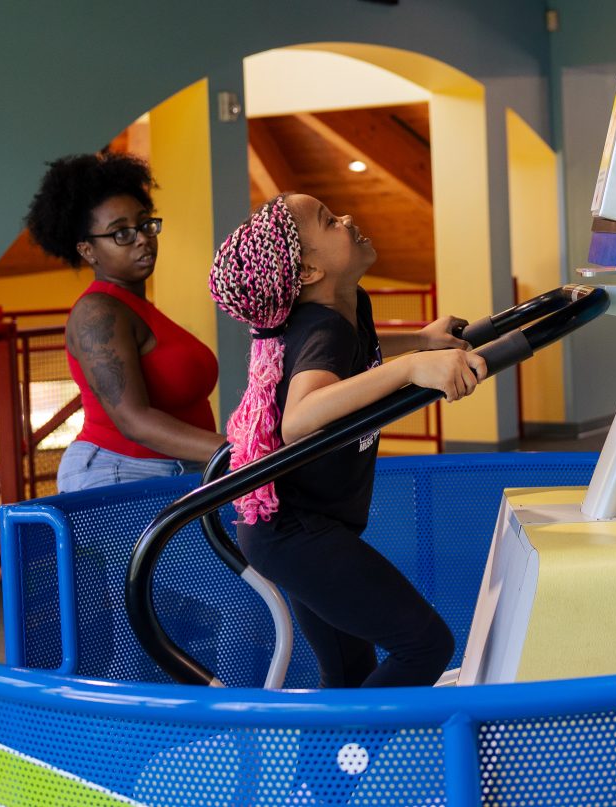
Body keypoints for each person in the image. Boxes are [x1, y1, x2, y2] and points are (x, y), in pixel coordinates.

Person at [209, 193, 487, 688]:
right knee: (424, 644)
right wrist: (412, 368)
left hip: (301, 528)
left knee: (348, 672)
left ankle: (327, 768)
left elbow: (363, 357)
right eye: (329, 221)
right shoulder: (322, 328)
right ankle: (350, 753)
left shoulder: (349, 307)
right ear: (310, 270)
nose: (348, 219)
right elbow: (300, 419)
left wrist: (421, 344)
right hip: (295, 533)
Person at [25, 152, 225, 492]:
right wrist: (237, 450)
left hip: (174, 472)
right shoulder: (97, 312)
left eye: (145, 224)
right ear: (88, 251)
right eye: (120, 233)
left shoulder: (140, 308)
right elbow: (133, 420)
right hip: (120, 473)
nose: (142, 238)